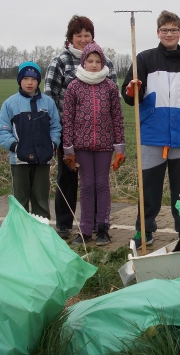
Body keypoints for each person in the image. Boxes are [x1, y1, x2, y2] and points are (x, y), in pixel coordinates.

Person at [121, 10, 180, 248]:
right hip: (152, 136)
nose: (169, 34)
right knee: (149, 189)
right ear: (158, 32)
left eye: (173, 30)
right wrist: (132, 89)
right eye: (164, 30)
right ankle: (144, 231)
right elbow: (129, 94)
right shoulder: (144, 59)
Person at [44, 15, 118, 239]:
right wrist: (59, 133)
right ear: (70, 38)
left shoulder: (107, 64)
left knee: (96, 181)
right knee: (68, 179)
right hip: (69, 133)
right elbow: (49, 96)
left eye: (87, 35)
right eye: (79, 35)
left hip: (100, 135)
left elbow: (112, 100)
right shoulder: (60, 61)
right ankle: (65, 224)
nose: (83, 39)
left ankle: (97, 224)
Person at [62, 42, 125, 246]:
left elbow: (117, 117)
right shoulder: (74, 86)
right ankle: (85, 229)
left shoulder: (110, 87)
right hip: (82, 146)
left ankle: (103, 228)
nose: (94, 64)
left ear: (103, 63)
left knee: (102, 185)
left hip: (105, 146)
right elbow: (68, 119)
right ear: (83, 62)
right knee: (87, 186)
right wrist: (68, 149)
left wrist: (119, 148)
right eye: (90, 61)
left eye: (98, 61)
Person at [0, 62, 61, 219]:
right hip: (19, 162)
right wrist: (16, 147)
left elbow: (56, 127)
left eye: (33, 79)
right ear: (19, 80)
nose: (29, 82)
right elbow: (2, 130)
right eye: (25, 78)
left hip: (42, 161)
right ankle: (20, 237)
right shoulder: (10, 103)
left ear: (38, 81)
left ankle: (40, 236)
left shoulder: (48, 103)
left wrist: (52, 145)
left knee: (41, 200)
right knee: (20, 201)